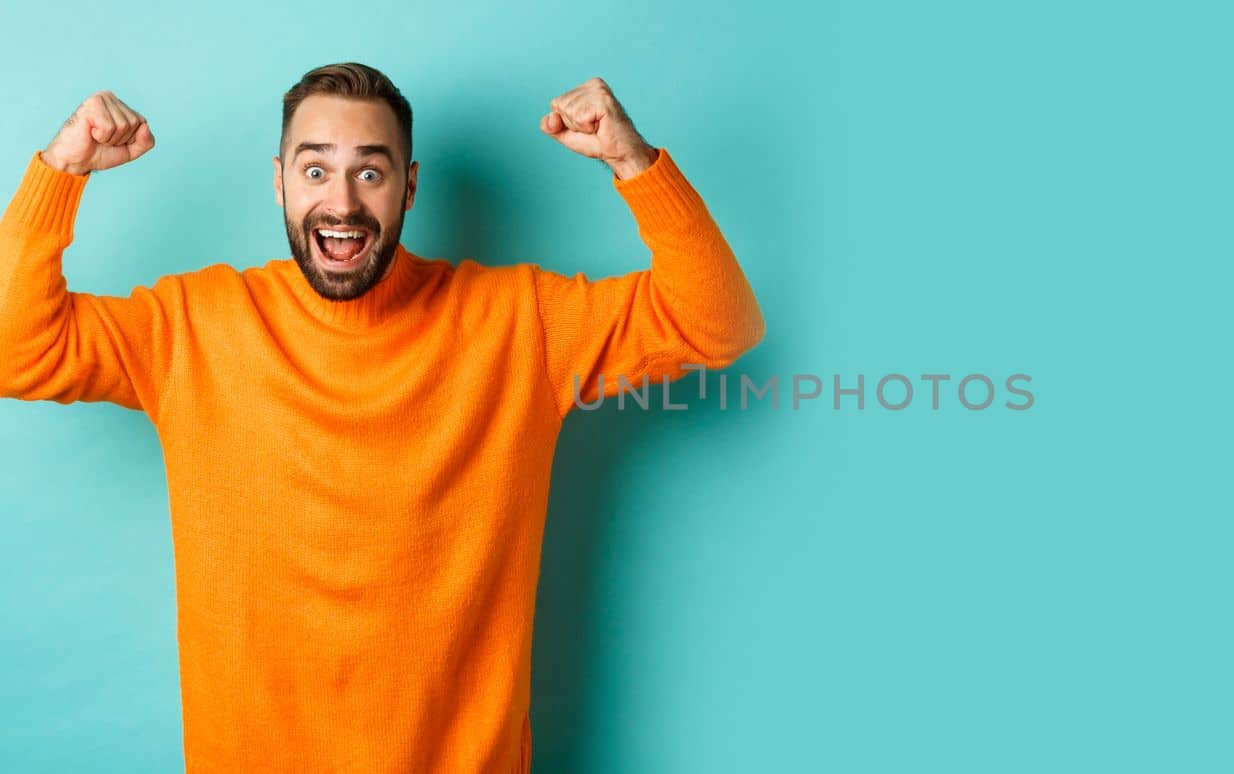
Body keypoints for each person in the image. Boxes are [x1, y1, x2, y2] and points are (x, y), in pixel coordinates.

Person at [0, 62, 764, 772]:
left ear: (408, 188)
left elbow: (716, 320)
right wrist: (60, 172)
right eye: (315, 170)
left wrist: (635, 163)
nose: (341, 203)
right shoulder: (192, 326)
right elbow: (13, 350)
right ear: (279, 183)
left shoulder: (521, 322)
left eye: (370, 171)